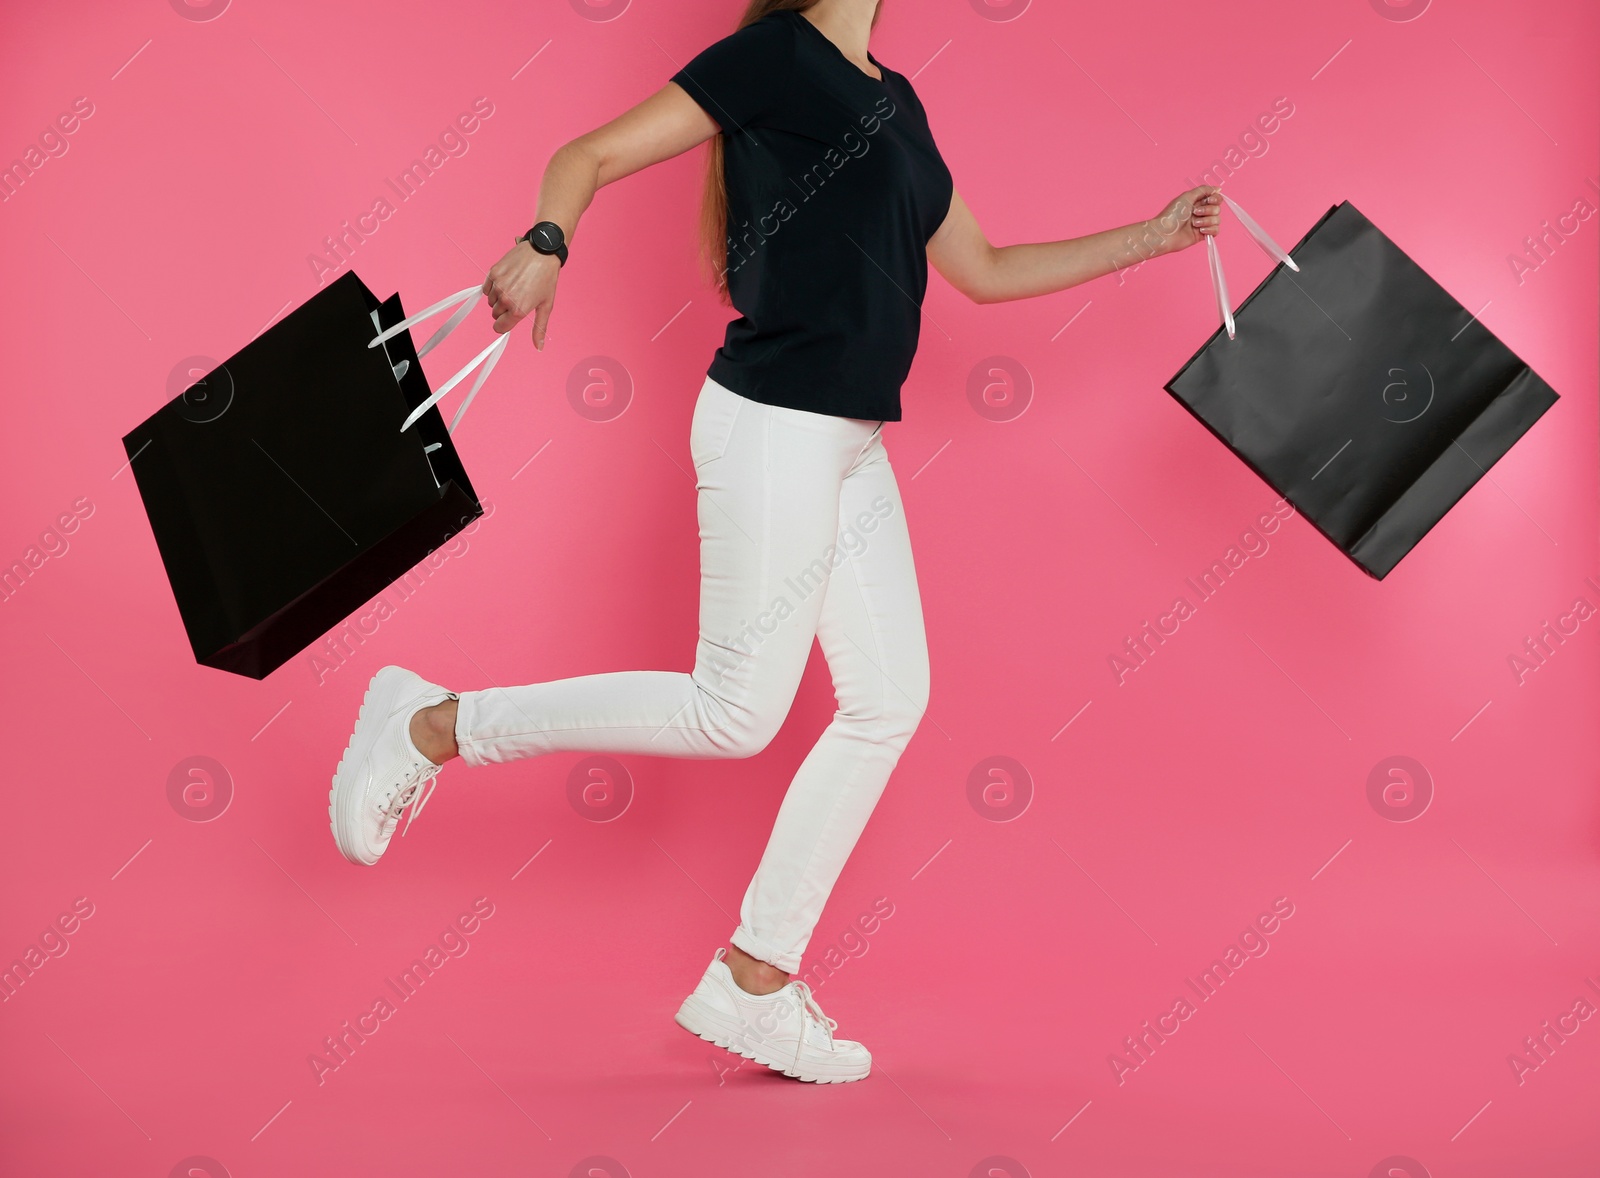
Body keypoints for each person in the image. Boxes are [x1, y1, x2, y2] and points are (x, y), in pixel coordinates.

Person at [328, 0, 1220, 1085]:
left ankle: (755, 976)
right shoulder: (774, 57)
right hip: (771, 426)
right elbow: (589, 152)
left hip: (848, 442)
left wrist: (1156, 236)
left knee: (888, 698)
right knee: (735, 710)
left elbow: (981, 267)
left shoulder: (895, 102)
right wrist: (547, 242)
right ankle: (432, 723)